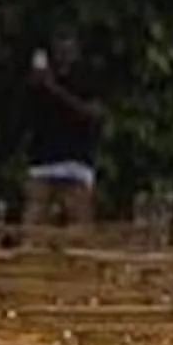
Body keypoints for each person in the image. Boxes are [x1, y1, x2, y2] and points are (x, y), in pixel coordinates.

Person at [23, 32, 105, 234]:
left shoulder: (87, 78)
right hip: (43, 162)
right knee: (34, 230)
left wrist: (54, 90)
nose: (63, 55)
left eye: (68, 49)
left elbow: (94, 114)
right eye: (59, 50)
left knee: (79, 230)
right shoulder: (40, 81)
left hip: (76, 163)